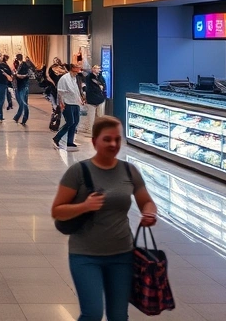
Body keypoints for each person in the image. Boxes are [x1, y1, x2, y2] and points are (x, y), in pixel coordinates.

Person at [51, 116, 158, 321]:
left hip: (122, 254)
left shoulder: (129, 171)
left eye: (117, 139)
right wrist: (84, 206)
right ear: (94, 142)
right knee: (92, 313)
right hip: (85, 255)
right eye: (107, 139)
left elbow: (146, 201)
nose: (113, 144)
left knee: (118, 316)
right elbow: (57, 210)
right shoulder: (78, 172)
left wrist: (149, 212)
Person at [54, 63, 84, 151]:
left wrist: (80, 100)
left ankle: (70, 141)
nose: (77, 73)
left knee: (75, 122)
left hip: (75, 103)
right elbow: (60, 92)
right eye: (76, 70)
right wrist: (61, 103)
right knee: (70, 122)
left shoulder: (74, 78)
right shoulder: (64, 78)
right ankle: (57, 138)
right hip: (67, 103)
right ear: (72, 69)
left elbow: (76, 91)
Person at [83, 65, 107, 134]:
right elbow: (89, 88)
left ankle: (99, 130)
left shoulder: (101, 77)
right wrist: (99, 88)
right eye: (97, 68)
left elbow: (104, 86)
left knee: (100, 116)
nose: (99, 70)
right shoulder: (88, 77)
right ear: (93, 69)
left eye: (99, 68)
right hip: (91, 99)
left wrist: (102, 89)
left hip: (100, 99)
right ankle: (90, 130)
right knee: (91, 117)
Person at [12, 56, 33, 124]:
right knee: (22, 102)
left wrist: (16, 74)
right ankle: (18, 117)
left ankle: (24, 118)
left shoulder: (23, 65)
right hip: (22, 86)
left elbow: (23, 76)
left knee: (23, 103)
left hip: (22, 86)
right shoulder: (22, 65)